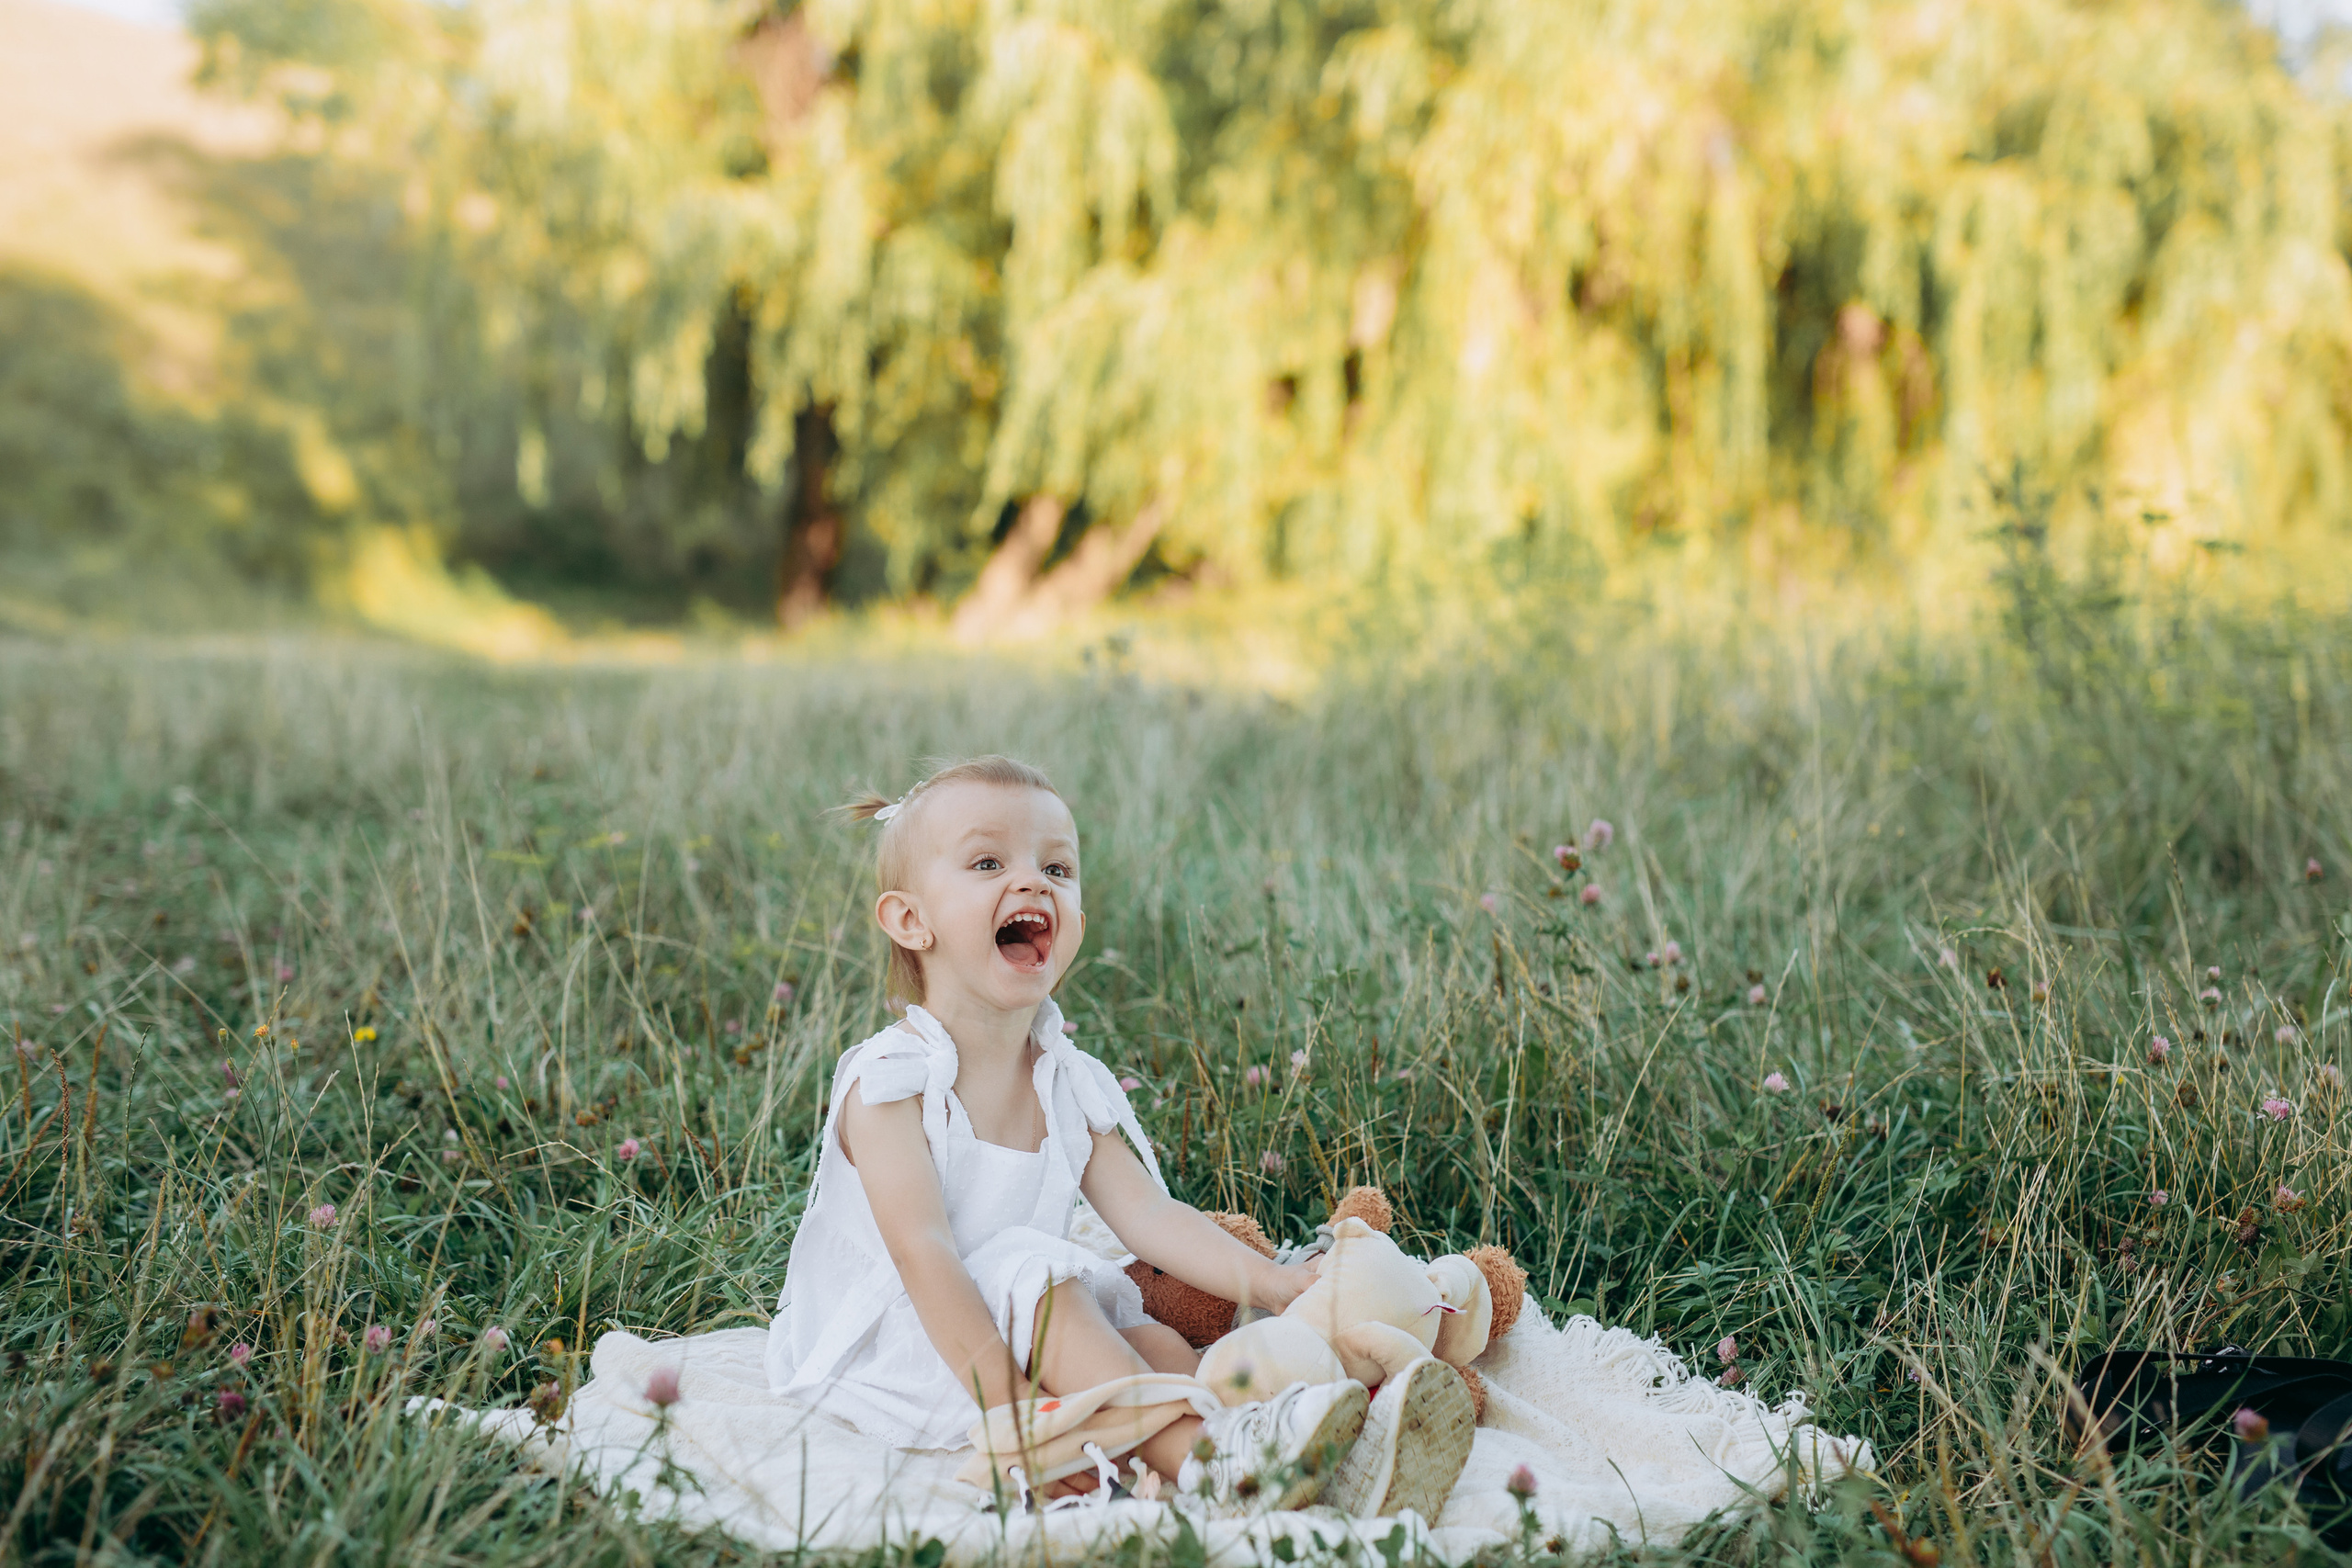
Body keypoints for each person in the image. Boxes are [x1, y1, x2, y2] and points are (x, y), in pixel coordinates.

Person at [763, 755, 1368, 1511]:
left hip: (1022, 1316)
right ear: (911, 920)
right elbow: (926, 1256)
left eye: (1057, 866)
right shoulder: (891, 1084)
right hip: (919, 1346)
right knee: (1037, 1271)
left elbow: (1149, 1218)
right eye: (988, 861)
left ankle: (1187, 1436)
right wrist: (1015, 1411)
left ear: (1076, 919)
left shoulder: (1065, 1080)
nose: (1032, 882)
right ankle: (1215, 1462)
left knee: (1155, 1345)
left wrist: (1279, 1283)